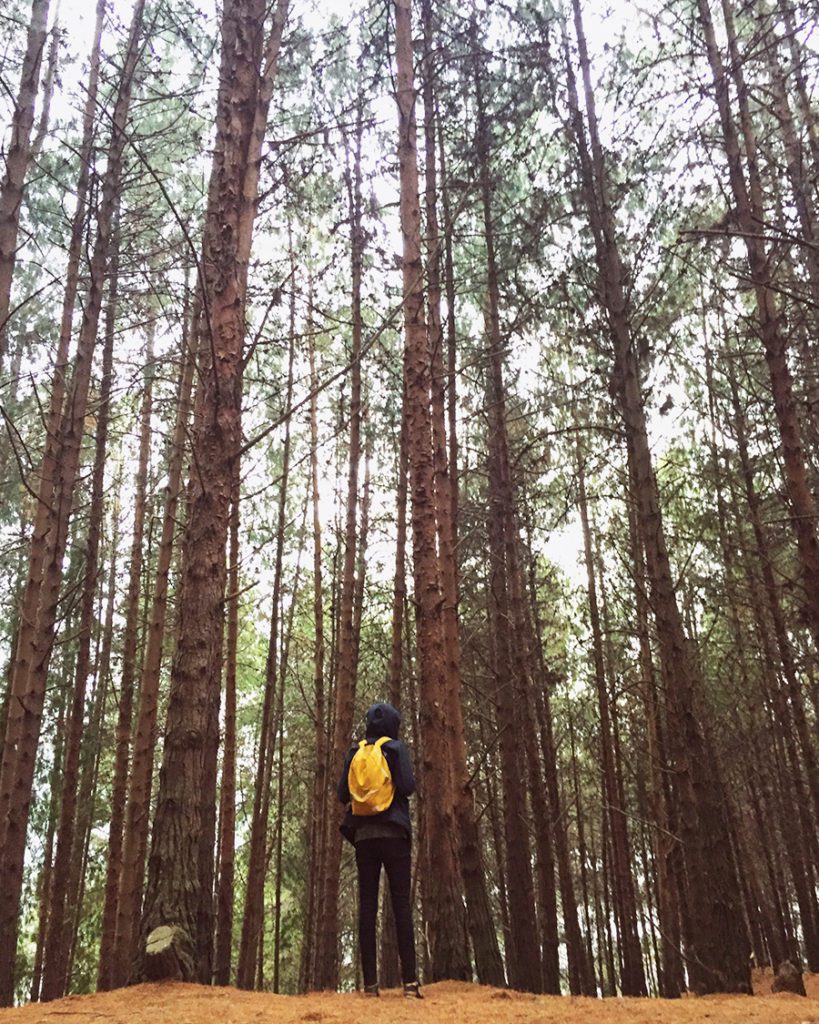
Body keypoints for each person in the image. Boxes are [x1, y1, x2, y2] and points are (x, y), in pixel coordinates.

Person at [337, 701, 423, 998]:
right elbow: (409, 786)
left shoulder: (354, 752)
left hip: (364, 838)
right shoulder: (395, 749)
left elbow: (340, 794)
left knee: (367, 907)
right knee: (401, 905)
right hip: (394, 834)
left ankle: (371, 986)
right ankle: (410, 983)